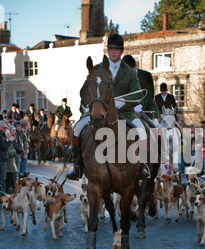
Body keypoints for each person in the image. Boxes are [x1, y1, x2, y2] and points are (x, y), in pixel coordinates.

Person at [67, 33, 148, 181]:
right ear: (108, 50)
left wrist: (123, 101)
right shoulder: (97, 69)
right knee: (77, 128)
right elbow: (84, 91)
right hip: (98, 111)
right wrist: (90, 105)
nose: (114, 52)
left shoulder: (129, 72)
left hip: (124, 112)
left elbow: (137, 95)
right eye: (111, 49)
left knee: (142, 131)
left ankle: (142, 164)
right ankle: (77, 165)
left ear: (122, 51)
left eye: (117, 49)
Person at [122, 54, 160, 126]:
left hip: (148, 108)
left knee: (155, 126)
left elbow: (150, 94)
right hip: (129, 110)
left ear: (135, 66)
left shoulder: (146, 75)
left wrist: (141, 105)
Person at [0, 121, 14, 192]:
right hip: (1, 158)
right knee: (2, 176)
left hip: (1, 157)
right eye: (3, 128)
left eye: (6, 128)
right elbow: (4, 147)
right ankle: (2, 191)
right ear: (0, 127)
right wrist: (9, 141)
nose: (5, 129)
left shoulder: (1, 134)